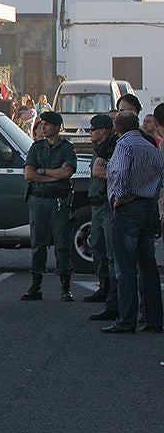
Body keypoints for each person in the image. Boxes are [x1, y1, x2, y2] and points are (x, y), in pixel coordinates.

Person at [101, 109, 164, 334]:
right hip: (148, 205)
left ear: (118, 127)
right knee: (148, 266)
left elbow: (118, 173)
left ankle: (126, 320)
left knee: (125, 267)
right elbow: (160, 174)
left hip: (129, 207)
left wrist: (117, 197)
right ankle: (154, 318)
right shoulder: (150, 146)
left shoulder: (123, 145)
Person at [21, 110, 77, 302]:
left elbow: (66, 173)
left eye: (47, 124)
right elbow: (29, 174)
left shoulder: (66, 148)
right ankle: (36, 285)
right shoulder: (36, 148)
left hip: (59, 200)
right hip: (39, 199)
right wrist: (52, 174)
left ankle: (65, 286)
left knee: (62, 244)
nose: (43, 127)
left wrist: (43, 172)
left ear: (57, 127)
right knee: (38, 243)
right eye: (41, 124)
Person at [84, 113, 118, 314]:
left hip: (107, 202)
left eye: (93, 130)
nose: (90, 133)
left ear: (103, 130)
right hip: (97, 202)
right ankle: (103, 284)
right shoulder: (100, 148)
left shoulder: (111, 147)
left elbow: (104, 172)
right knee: (96, 244)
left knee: (109, 249)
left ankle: (112, 290)